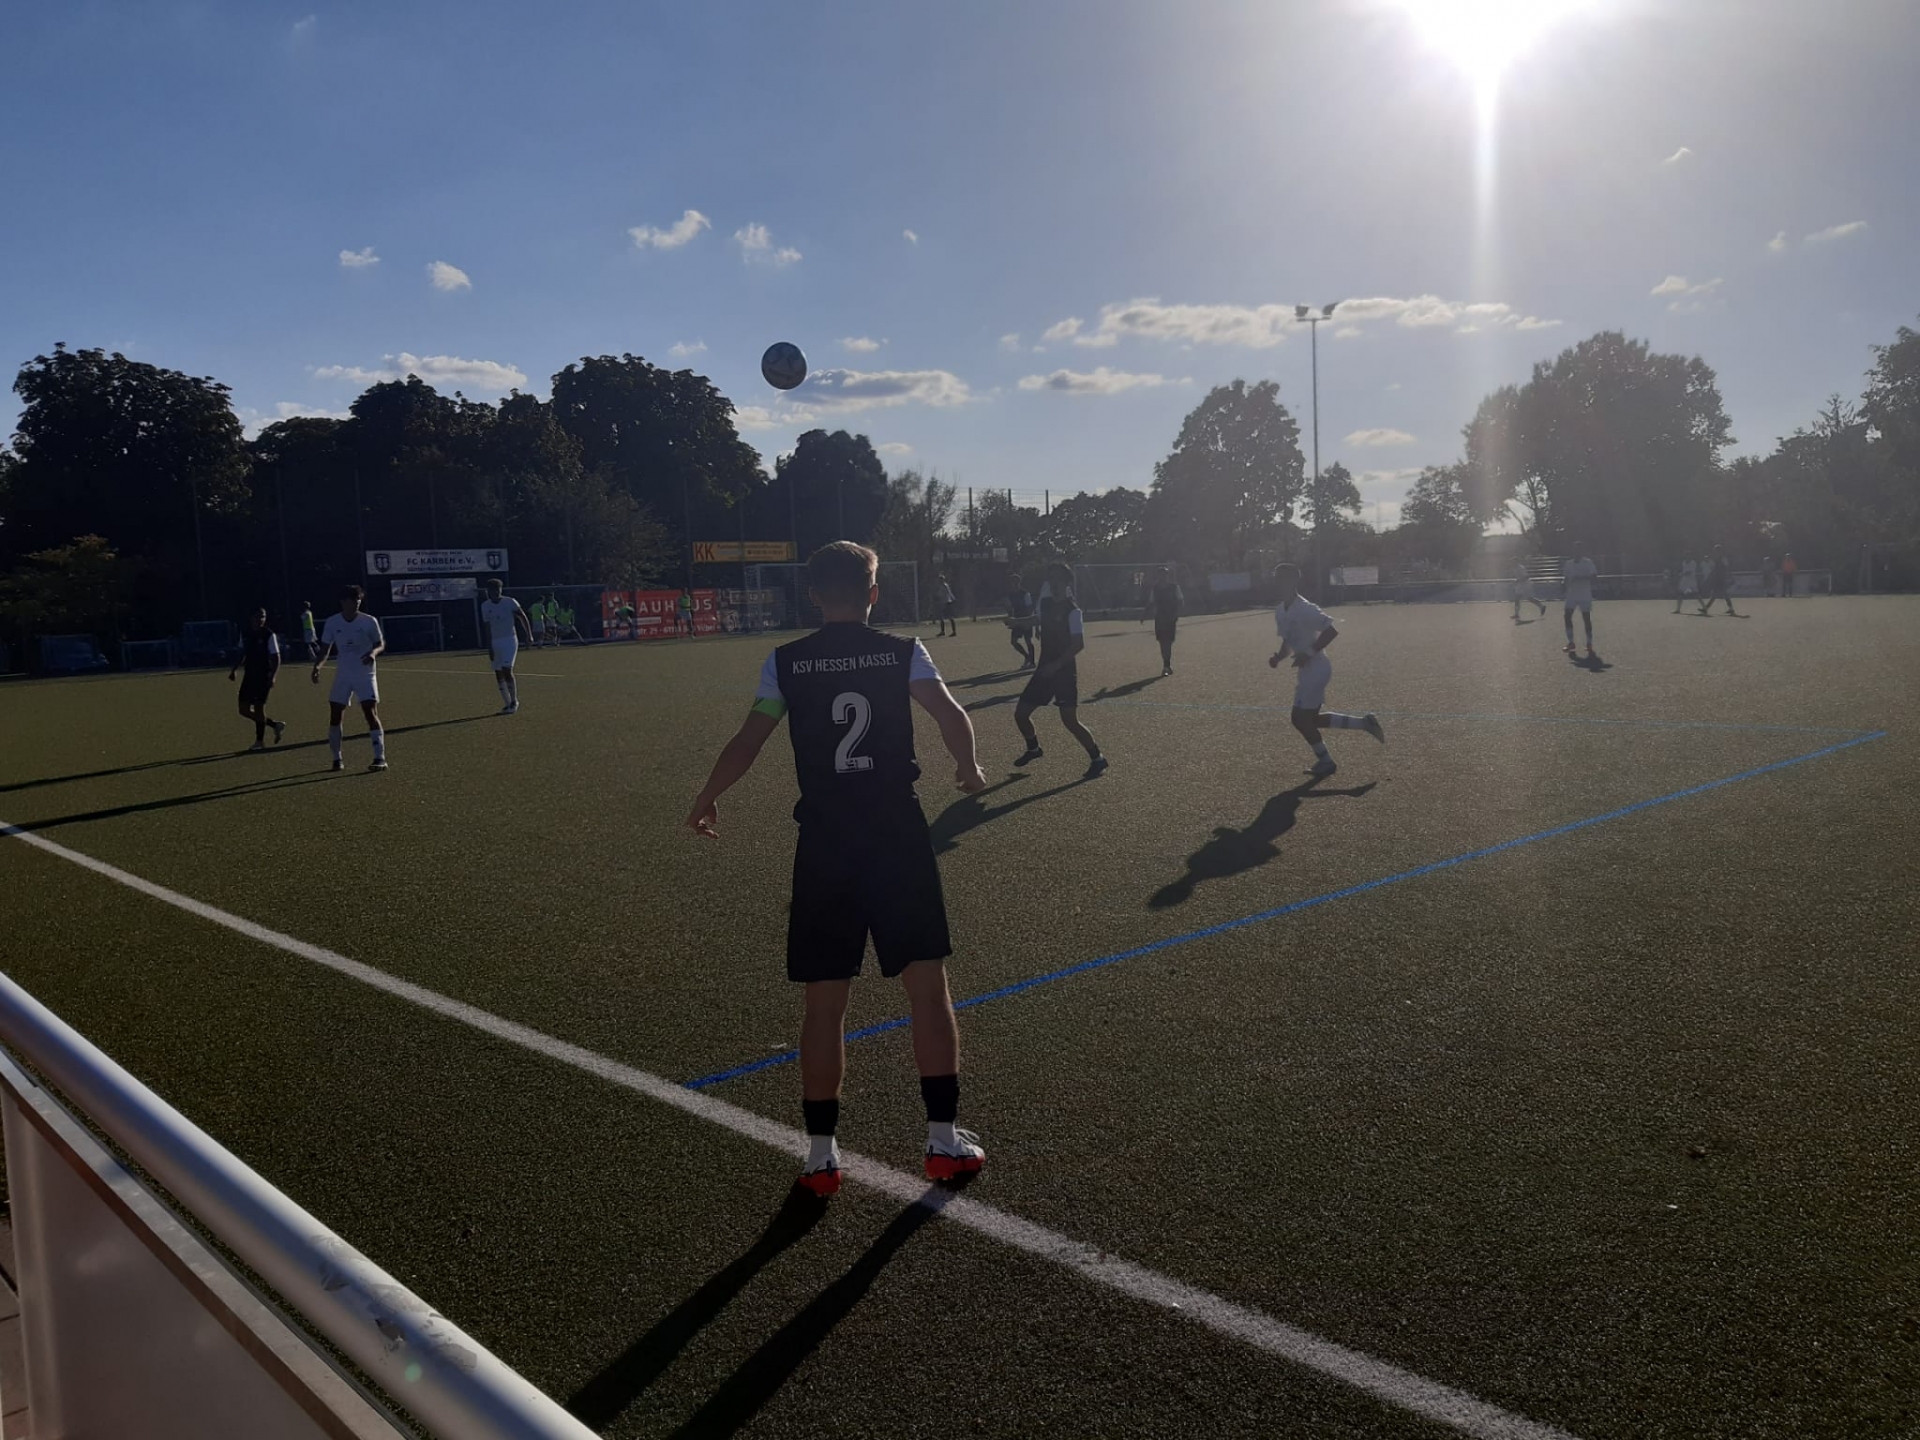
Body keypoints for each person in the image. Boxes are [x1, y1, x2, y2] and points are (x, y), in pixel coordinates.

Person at [685, 541, 989, 1196]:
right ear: (873, 592)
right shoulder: (902, 652)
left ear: (815, 596)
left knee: (824, 1002)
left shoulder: (786, 662)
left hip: (825, 841)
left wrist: (708, 795)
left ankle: (821, 1156)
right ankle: (942, 1141)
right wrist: (968, 768)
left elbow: (749, 739)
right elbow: (949, 713)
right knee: (927, 987)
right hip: (896, 835)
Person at [1268, 563, 1384, 777]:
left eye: (1282, 578)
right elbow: (1288, 642)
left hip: (1317, 669)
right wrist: (1278, 658)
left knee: (1300, 719)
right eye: (1276, 578)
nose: (1277, 582)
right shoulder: (1280, 610)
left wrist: (1308, 653)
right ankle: (1364, 723)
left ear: (1293, 581)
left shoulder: (1305, 608)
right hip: (1306, 671)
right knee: (1310, 720)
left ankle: (1326, 761)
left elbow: (1331, 631)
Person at [1013, 563, 1108, 777]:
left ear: (1066, 583)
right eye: (1051, 578)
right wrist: (1017, 621)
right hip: (1044, 670)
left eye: (1058, 579)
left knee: (1070, 720)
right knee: (1021, 714)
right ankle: (1033, 748)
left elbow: (1078, 644)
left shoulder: (1073, 611)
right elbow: (1037, 619)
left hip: (1063, 672)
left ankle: (1097, 758)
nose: (1053, 583)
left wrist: (1056, 665)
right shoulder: (1046, 604)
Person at [311, 584, 387, 772]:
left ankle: (380, 758)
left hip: (365, 674)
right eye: (353, 600)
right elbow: (325, 649)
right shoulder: (332, 622)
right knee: (336, 714)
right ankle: (337, 759)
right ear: (343, 602)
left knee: (370, 711)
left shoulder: (369, 621)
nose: (357, 603)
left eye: (358, 599)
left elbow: (380, 643)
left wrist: (373, 653)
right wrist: (317, 666)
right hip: (343, 675)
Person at [229, 607, 286, 751]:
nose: (260, 619)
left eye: (263, 616)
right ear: (251, 618)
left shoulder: (269, 635)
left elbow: (276, 657)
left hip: (263, 676)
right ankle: (274, 725)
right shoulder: (246, 634)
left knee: (259, 708)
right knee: (243, 709)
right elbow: (241, 653)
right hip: (249, 675)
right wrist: (234, 670)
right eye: (258, 616)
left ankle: (259, 742)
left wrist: (273, 676)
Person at [479, 579, 533, 713]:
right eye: (492, 590)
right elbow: (487, 628)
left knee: (507, 670)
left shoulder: (510, 602)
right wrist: (489, 646)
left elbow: (522, 616)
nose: (495, 592)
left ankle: (514, 701)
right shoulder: (485, 606)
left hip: (509, 640)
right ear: (488, 591)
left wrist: (529, 634)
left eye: (498, 589)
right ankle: (507, 703)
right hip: (495, 642)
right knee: (498, 672)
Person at [1562, 547, 1599, 657]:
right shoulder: (1568, 563)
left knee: (1586, 618)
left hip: (1584, 594)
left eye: (1579, 550)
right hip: (1571, 594)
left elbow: (1594, 576)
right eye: (1575, 550)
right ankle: (1571, 642)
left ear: (1582, 551)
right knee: (1567, 616)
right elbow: (1566, 577)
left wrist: (1581, 577)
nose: (1577, 552)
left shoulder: (1588, 563)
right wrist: (1563, 584)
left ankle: (1589, 643)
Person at [1149, 566, 1183, 675]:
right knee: (1162, 642)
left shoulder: (1174, 587)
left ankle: (1167, 664)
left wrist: (1176, 614)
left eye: (1164, 574)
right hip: (1160, 618)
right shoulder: (1155, 588)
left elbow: (1180, 601)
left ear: (1167, 576)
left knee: (1168, 642)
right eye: (1161, 574)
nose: (1163, 577)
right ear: (1158, 576)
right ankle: (1166, 665)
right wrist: (1146, 614)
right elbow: (1152, 602)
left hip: (1170, 617)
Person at [1004, 577, 1036, 669]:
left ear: (1019, 582)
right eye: (1011, 582)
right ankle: (1027, 657)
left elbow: (1030, 608)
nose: (1013, 584)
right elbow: (1010, 609)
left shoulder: (1025, 594)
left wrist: (1029, 621)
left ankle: (1032, 662)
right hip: (1016, 620)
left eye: (1015, 582)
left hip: (1026, 619)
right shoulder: (1010, 595)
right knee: (1013, 641)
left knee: (1028, 641)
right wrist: (1010, 619)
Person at [1699, 545, 1738, 615]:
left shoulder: (1723, 558)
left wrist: (1728, 576)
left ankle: (1705, 609)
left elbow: (1727, 567)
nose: (1714, 552)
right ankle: (1731, 609)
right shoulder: (1717, 558)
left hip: (1720, 578)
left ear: (1718, 551)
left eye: (1715, 550)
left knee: (1717, 595)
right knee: (1722, 595)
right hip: (1718, 578)